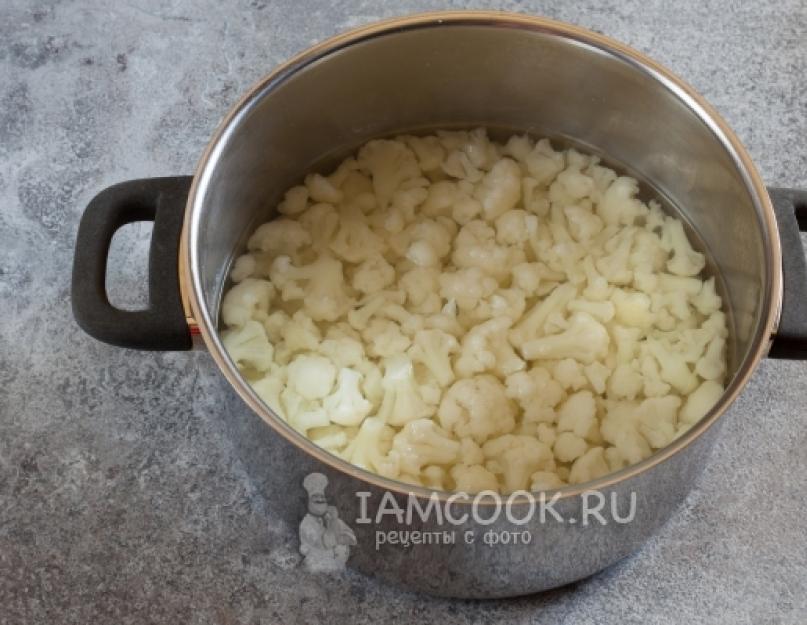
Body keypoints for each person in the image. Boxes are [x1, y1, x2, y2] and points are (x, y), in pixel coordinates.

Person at [299, 473, 357, 572]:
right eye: (315, 497)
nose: (320, 499)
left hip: (339, 569)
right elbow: (328, 542)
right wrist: (335, 524)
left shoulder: (330, 518)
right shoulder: (306, 524)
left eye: (322, 497)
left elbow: (352, 538)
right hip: (317, 572)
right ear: (308, 502)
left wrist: (343, 537)